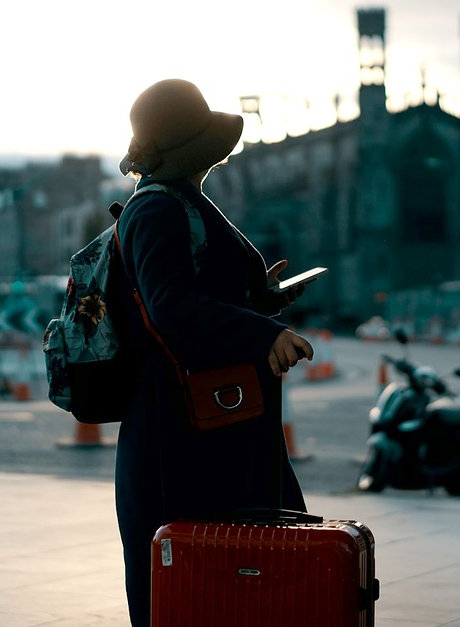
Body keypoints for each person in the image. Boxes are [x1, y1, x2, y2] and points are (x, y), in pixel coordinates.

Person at [113, 78, 315, 626]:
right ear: (191, 148)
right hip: (182, 434)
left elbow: (196, 293)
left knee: (237, 579)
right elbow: (169, 306)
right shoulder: (157, 210)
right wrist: (261, 334)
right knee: (191, 586)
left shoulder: (186, 203)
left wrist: (260, 299)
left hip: (219, 420)